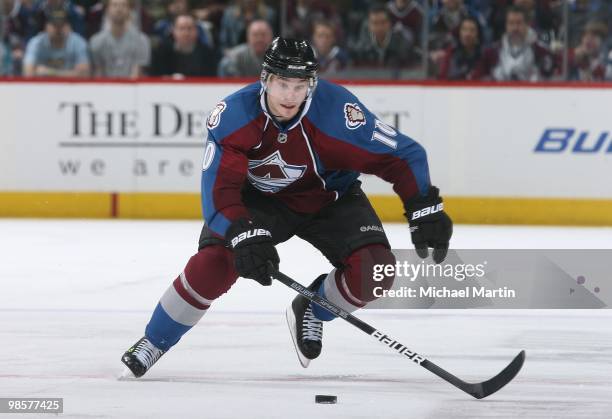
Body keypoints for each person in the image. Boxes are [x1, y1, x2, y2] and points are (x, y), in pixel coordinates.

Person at [121, 37, 453, 377]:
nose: (291, 96)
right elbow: (218, 193)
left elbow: (402, 155)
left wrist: (423, 205)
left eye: (299, 85)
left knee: (375, 272)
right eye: (283, 84)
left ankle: (313, 307)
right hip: (260, 202)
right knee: (213, 265)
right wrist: (242, 233)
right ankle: (154, 341)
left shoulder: (339, 114)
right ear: (265, 79)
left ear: (312, 84)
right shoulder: (234, 117)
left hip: (330, 199)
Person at [491, 6, 556, 81]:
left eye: (519, 23)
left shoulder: (541, 51)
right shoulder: (492, 52)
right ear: (506, 25)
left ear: (527, 25)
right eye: (511, 23)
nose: (515, 28)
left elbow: (550, 79)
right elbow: (478, 79)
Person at [89, 0, 150, 78]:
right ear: (107, 10)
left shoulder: (141, 40)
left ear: (129, 10)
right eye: (115, 5)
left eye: (123, 5)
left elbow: (137, 73)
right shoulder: (96, 41)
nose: (119, 9)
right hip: (105, 88)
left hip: (132, 88)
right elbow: (98, 73)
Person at [22, 7, 89, 77]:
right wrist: (71, 73)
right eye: (54, 25)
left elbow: (84, 75)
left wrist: (50, 72)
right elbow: (28, 73)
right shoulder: (36, 43)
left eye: (61, 25)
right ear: (46, 27)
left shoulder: (78, 42)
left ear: (69, 27)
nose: (58, 29)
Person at [150, 13, 218, 77]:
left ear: (197, 31)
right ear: (174, 31)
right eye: (181, 28)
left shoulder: (207, 54)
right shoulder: (161, 52)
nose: (186, 33)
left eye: (190, 28)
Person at [438, 16, 496, 80]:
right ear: (459, 32)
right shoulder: (451, 53)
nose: (467, 34)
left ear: (478, 34)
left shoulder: (486, 54)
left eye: (472, 30)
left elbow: (492, 78)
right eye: (464, 29)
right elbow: (442, 78)